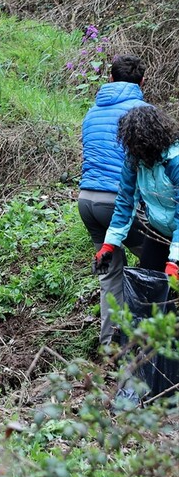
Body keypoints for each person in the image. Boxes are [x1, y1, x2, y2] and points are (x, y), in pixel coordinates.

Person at [79, 54, 148, 346]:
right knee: (155, 263)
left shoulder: (91, 112)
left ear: (109, 78)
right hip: (117, 204)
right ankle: (147, 342)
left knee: (109, 276)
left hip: (87, 203)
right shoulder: (143, 112)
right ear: (142, 81)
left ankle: (109, 346)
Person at [97, 105, 179, 277]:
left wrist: (175, 259)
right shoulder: (135, 160)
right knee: (148, 282)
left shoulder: (174, 162)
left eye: (141, 146)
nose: (136, 152)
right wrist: (109, 244)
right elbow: (125, 202)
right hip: (159, 230)